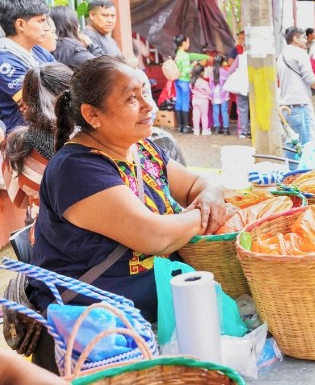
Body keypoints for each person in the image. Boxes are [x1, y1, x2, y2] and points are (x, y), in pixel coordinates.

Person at [29, 56, 228, 368]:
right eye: (131, 99)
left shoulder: (142, 149)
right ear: (92, 114)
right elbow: (154, 236)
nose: (148, 106)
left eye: (146, 92)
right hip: (103, 338)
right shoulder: (77, 169)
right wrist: (208, 212)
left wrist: (211, 194)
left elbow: (198, 185)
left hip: (160, 319)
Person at [2, 63, 73, 225]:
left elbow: (19, 201)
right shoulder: (96, 133)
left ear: (24, 103)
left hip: (49, 239)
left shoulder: (15, 144)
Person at [0, 0, 56, 130]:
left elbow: (63, 82)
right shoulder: (4, 62)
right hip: (21, 138)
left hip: (46, 128)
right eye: (41, 21)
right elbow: (36, 103)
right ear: (20, 24)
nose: (47, 27)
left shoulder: (38, 51)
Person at [278, 27, 315, 146]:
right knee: (307, 145)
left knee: (292, 144)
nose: (306, 40)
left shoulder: (282, 55)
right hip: (300, 106)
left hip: (286, 106)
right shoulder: (300, 53)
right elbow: (309, 78)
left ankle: (292, 166)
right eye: (303, 37)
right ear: (295, 39)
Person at [171, 35, 208, 134]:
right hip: (184, 81)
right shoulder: (185, 55)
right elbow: (187, 70)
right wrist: (194, 64)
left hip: (177, 81)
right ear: (183, 43)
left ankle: (180, 126)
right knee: (185, 102)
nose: (189, 43)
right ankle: (186, 126)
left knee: (179, 101)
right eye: (188, 42)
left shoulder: (177, 54)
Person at [208, 55, 230, 135]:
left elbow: (210, 85)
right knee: (224, 111)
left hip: (215, 96)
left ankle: (217, 128)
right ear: (222, 63)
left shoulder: (211, 72)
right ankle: (225, 129)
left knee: (215, 112)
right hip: (224, 95)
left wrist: (211, 96)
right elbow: (228, 81)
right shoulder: (225, 72)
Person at [190, 64, 211, 136]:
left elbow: (191, 89)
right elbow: (208, 92)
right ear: (202, 73)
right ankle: (205, 130)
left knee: (195, 115)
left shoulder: (192, 82)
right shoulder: (204, 82)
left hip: (195, 99)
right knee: (204, 115)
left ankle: (196, 130)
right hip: (203, 100)